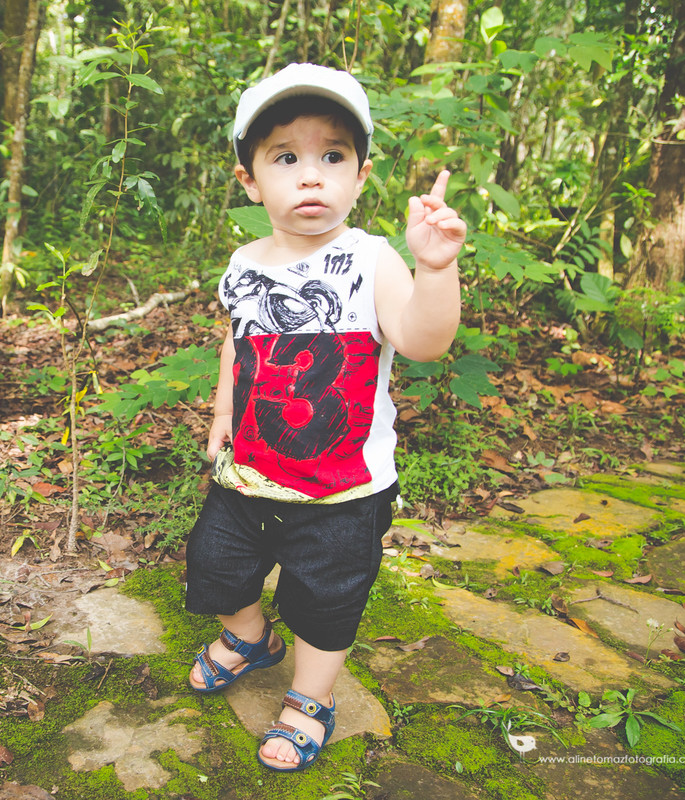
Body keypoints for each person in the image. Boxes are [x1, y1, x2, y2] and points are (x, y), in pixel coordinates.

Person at [184, 63, 465, 772]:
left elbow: (423, 340)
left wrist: (433, 271)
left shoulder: (372, 259)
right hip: (247, 471)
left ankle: (310, 696)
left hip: (343, 489)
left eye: (332, 156)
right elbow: (236, 340)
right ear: (250, 180)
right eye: (287, 158)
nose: (312, 176)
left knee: (326, 599)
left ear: (361, 176)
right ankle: (251, 637)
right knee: (214, 568)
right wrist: (223, 408)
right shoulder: (243, 261)